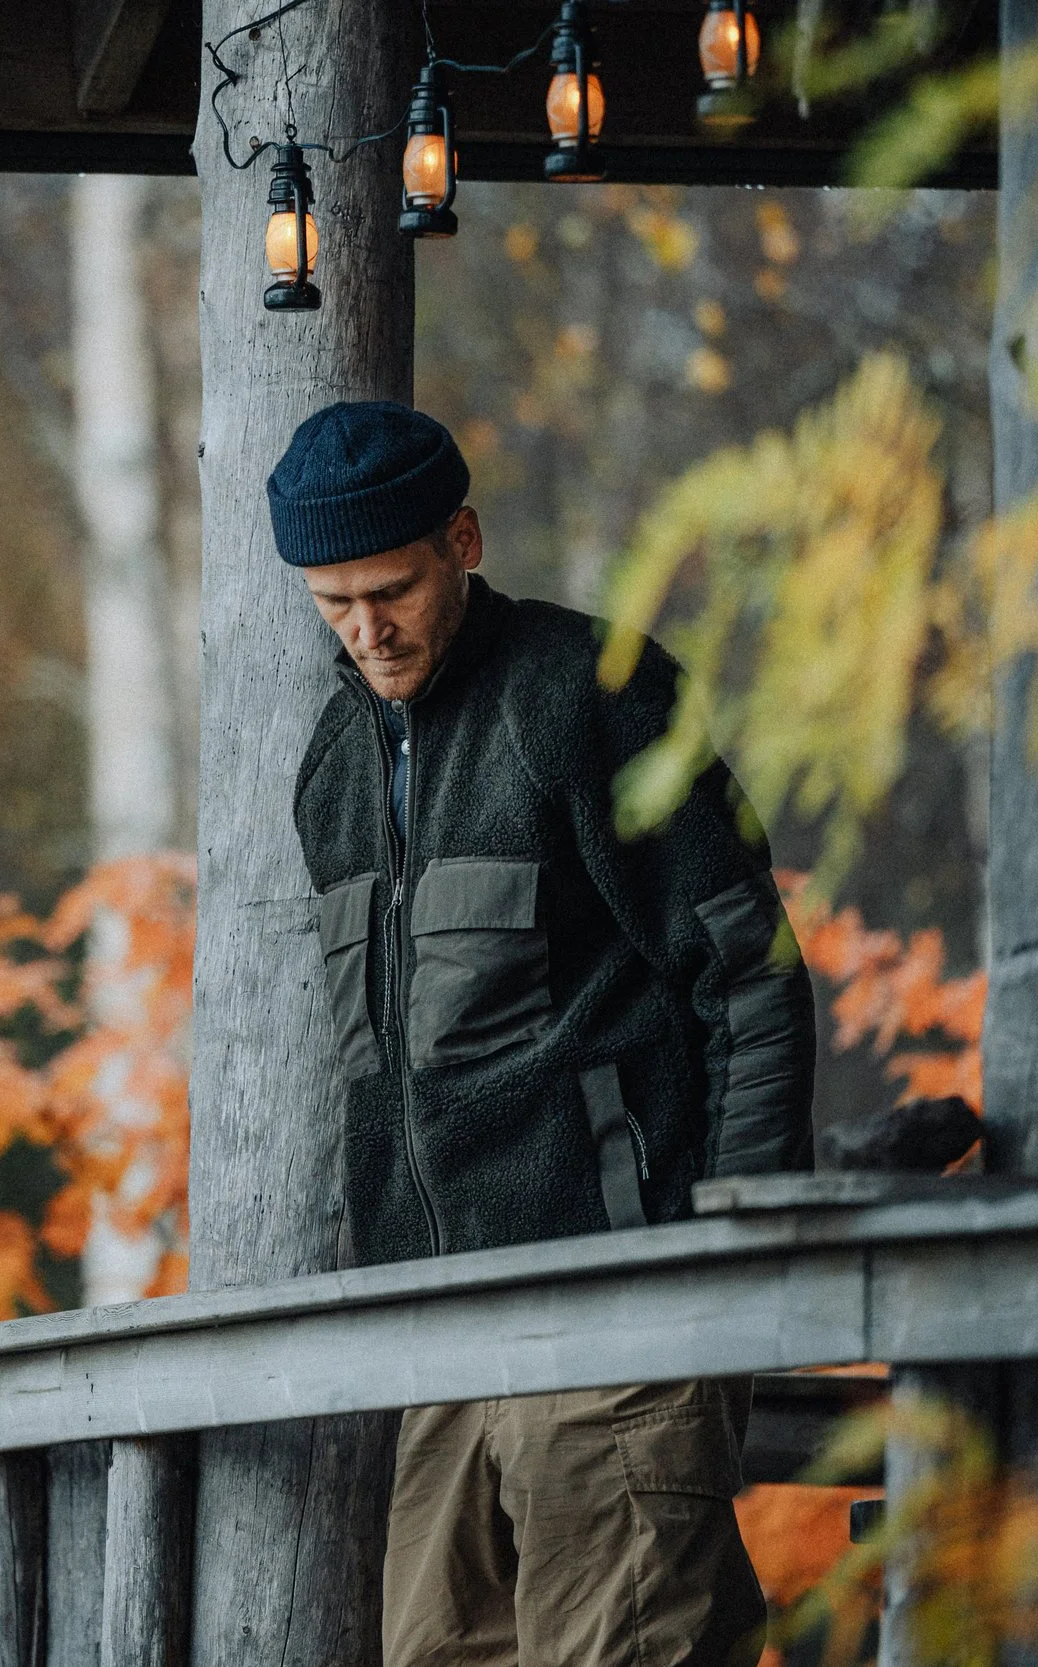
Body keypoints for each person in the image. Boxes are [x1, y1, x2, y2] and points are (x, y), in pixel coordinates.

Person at [271, 400, 816, 1667]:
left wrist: (732, 1240)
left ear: (461, 540)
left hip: (618, 1298)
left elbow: (749, 971)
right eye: (333, 602)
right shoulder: (331, 762)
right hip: (436, 1326)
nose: (367, 631)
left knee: (625, 1647)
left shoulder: (591, 693)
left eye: (392, 589)